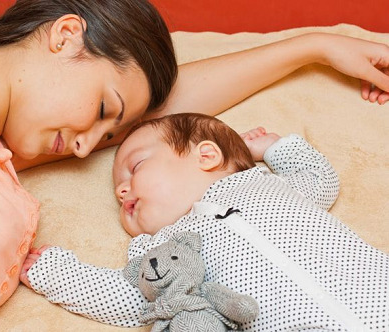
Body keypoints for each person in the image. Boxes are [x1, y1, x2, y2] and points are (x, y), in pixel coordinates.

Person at [0, 0, 388, 330]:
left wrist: (314, 47)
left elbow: (171, 133)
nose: (87, 150)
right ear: (65, 35)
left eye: (108, 134)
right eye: (104, 111)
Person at [22, 113, 389, 331]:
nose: (121, 190)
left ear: (207, 156)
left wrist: (274, 148)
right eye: (119, 186)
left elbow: (318, 180)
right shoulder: (164, 251)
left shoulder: (264, 183)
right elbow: (132, 299)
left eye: (135, 168)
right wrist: (55, 273)